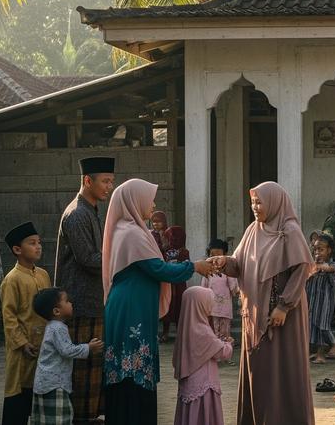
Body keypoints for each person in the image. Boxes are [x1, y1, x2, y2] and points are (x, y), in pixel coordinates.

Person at [100, 178, 214, 425]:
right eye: (149, 199)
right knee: (131, 371)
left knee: (131, 369)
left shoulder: (130, 229)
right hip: (131, 306)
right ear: (134, 200)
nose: (152, 205)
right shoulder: (130, 233)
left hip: (132, 304)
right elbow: (158, 269)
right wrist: (194, 266)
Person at [211, 181, 316, 425]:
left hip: (283, 318)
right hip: (256, 315)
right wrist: (223, 262)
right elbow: (238, 264)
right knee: (260, 372)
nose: (255, 207)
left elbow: (301, 269)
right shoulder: (252, 231)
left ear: (274, 202)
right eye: (253, 202)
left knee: (283, 369)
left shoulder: (289, 230)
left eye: (260, 202)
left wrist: (283, 306)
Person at [53, 156, 114, 424]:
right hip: (80, 302)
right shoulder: (77, 214)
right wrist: (121, 259)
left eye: (112, 181)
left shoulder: (91, 210)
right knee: (83, 368)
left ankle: (89, 415)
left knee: (94, 365)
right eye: (105, 181)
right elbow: (89, 259)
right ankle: (80, 417)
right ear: (87, 181)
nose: (109, 186)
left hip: (93, 301)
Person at [1, 222, 52, 425]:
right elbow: (9, 317)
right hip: (23, 350)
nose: (38, 246)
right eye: (32, 243)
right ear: (17, 249)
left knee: (39, 396)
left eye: (39, 242)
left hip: (43, 346)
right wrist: (22, 343)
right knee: (18, 395)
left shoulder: (43, 274)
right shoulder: (11, 280)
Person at [31, 288, 103, 425]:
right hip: (54, 384)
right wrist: (88, 347)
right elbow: (67, 351)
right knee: (59, 418)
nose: (71, 303)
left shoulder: (53, 326)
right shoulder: (58, 328)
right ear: (56, 311)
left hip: (47, 382)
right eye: (67, 301)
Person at [173, 286, 233, 425]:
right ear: (201, 305)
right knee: (203, 415)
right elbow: (222, 352)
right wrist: (229, 344)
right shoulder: (203, 330)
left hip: (188, 384)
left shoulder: (185, 330)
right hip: (204, 384)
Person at [307, 232, 335, 363]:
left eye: (321, 249)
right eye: (315, 249)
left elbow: (334, 281)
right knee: (312, 326)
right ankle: (316, 353)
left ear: (329, 250)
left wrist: (322, 268)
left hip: (325, 303)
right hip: (311, 302)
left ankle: (331, 346)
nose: (317, 252)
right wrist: (310, 273)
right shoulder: (311, 265)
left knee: (323, 326)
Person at [202, 239, 238, 342]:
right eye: (212, 254)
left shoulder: (227, 270)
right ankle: (214, 353)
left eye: (218, 254)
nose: (215, 258)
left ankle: (225, 353)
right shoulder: (207, 270)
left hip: (225, 308)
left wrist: (238, 292)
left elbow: (233, 287)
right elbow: (203, 288)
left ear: (225, 255)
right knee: (213, 331)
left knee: (225, 332)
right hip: (211, 308)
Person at [162, 225, 193, 342]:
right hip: (168, 284)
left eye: (172, 238)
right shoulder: (165, 251)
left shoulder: (184, 251)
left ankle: (180, 333)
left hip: (179, 284)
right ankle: (165, 332)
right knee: (168, 307)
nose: (170, 240)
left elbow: (186, 265)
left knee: (179, 307)